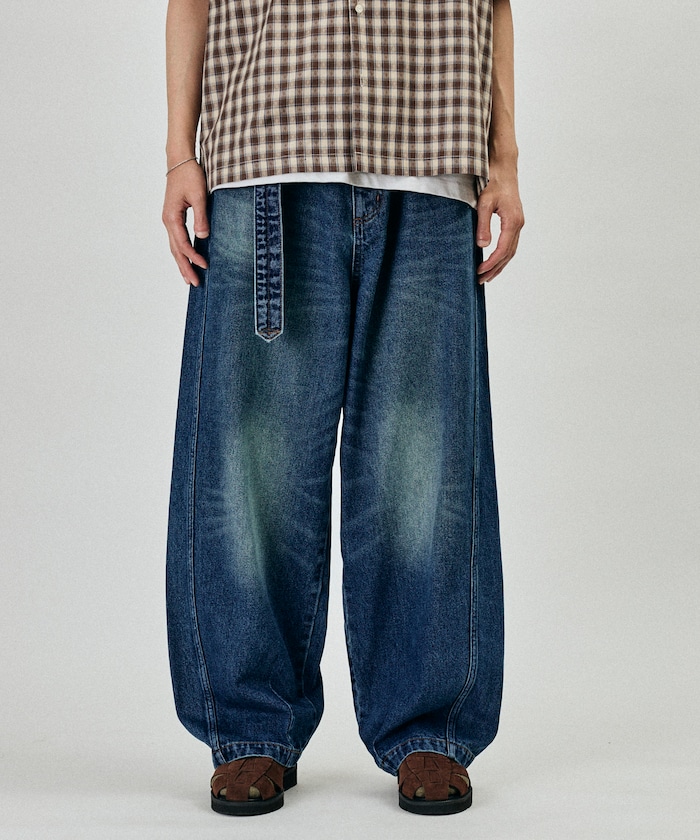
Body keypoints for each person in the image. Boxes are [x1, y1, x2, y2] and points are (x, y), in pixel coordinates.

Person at [162, 0, 523, 817]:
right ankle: (249, 729)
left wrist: (504, 162)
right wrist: (181, 153)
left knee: (422, 470)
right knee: (252, 471)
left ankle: (430, 728)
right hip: (268, 148)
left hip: (431, 156)